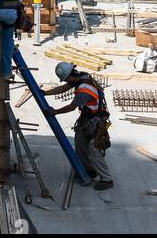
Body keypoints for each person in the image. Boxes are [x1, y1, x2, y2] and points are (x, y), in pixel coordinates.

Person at [42, 60, 113, 191]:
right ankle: (88, 171)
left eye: (65, 79)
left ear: (70, 76)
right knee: (80, 143)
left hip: (96, 121)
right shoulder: (80, 77)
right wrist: (45, 93)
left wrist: (55, 112)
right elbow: (63, 88)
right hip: (86, 119)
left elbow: (71, 107)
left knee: (94, 148)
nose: (65, 82)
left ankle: (107, 179)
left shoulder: (84, 89)